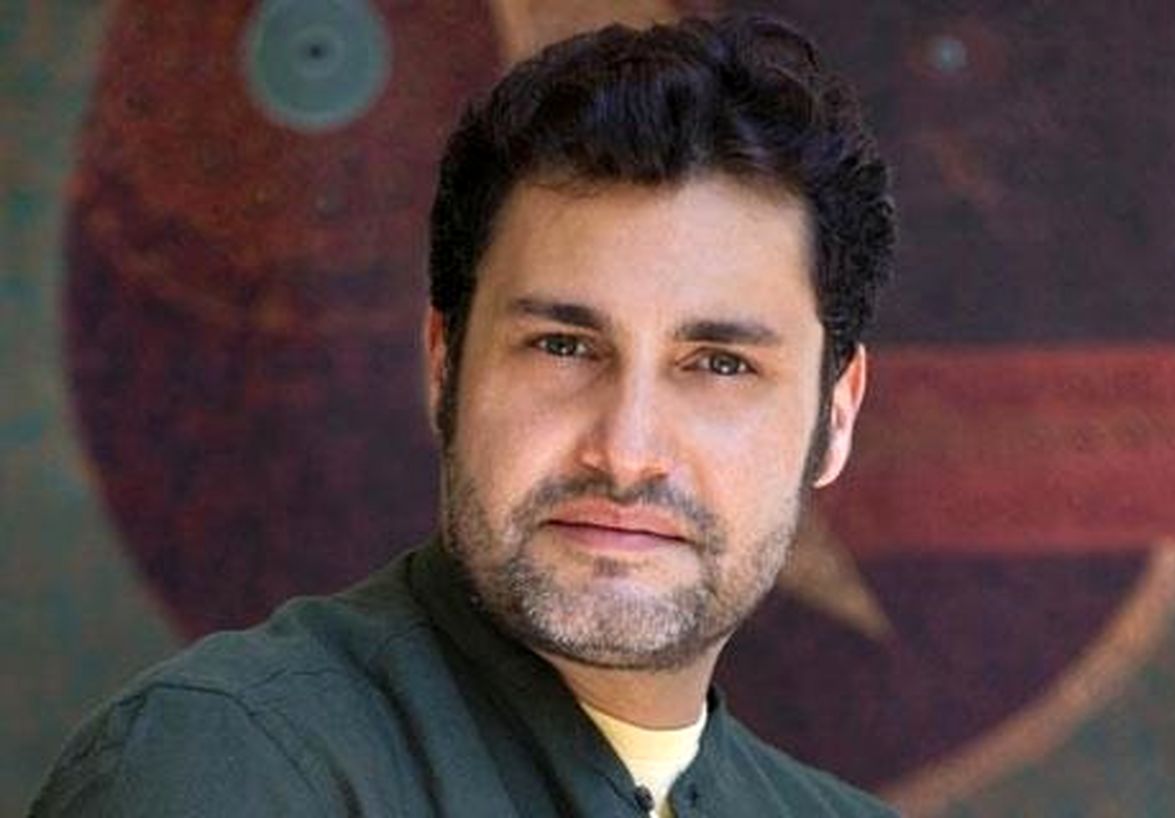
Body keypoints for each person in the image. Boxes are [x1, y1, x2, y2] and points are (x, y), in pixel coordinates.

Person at [32, 13, 898, 817]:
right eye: (562, 346)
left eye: (720, 364)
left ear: (836, 417)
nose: (626, 451)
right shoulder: (227, 767)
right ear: (443, 364)